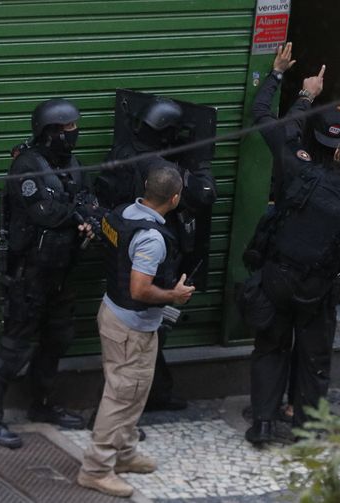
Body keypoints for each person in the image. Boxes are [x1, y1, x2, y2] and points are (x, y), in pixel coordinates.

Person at [244, 56, 340, 446]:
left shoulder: (299, 170)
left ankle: (264, 424)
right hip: (318, 288)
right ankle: (307, 426)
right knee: (314, 357)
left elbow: (278, 125)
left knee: (270, 347)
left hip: (277, 277)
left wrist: (304, 93)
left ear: (337, 154)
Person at [77, 165, 195, 498]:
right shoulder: (152, 239)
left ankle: (125, 453)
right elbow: (140, 289)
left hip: (115, 316)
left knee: (131, 393)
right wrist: (175, 295)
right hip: (131, 328)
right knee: (121, 397)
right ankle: (96, 469)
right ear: (174, 198)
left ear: (146, 188)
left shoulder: (126, 212)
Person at [95, 96, 217, 411]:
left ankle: (158, 391)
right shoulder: (161, 169)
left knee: (153, 330)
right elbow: (203, 196)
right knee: (148, 329)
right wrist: (200, 166)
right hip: (152, 251)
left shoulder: (122, 152)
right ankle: (114, 410)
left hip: (121, 246)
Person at [0, 98, 97, 449]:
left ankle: (42, 405)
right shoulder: (27, 168)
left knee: (57, 339)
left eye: (73, 128)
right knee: (13, 349)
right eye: (66, 129)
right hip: (29, 276)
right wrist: (77, 217)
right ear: (48, 133)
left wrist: (91, 220)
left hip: (61, 274)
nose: (73, 134)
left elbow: (87, 200)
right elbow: (45, 212)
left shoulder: (71, 164)